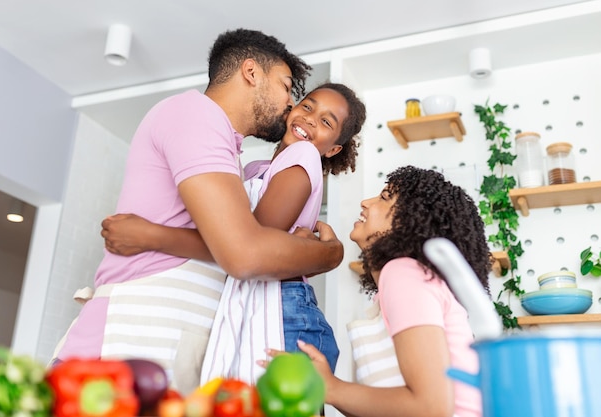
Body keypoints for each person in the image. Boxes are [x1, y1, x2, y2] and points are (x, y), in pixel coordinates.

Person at [51, 28, 345, 394]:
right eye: (287, 86)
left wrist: (153, 234)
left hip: (168, 338)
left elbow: (233, 241)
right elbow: (243, 252)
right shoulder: (196, 116)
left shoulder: (227, 150)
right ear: (251, 73)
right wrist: (327, 254)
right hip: (134, 333)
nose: (290, 103)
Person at [100, 83, 367, 384]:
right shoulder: (256, 169)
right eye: (308, 106)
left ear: (333, 149)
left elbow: (247, 247)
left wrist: (150, 236)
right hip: (255, 303)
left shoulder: (304, 155)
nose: (310, 118)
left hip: (284, 310)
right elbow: (231, 240)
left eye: (326, 121)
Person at [285, 166, 491, 417]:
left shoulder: (403, 274)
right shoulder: (400, 285)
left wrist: (330, 387)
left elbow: (431, 407)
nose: (365, 202)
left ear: (410, 220)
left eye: (384, 197)